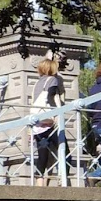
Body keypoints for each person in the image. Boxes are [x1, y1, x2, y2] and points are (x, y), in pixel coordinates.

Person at [30, 56, 65, 185]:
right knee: (64, 149)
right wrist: (56, 115)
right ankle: (63, 179)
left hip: (38, 121)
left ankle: (40, 185)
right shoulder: (52, 80)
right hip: (48, 121)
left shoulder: (37, 83)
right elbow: (51, 97)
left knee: (42, 153)